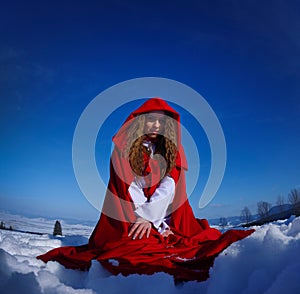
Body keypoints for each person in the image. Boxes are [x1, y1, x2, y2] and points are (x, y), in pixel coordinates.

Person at [37, 98, 254, 282]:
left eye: (161, 121)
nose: (156, 125)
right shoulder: (124, 148)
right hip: (130, 211)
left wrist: (156, 221)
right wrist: (143, 218)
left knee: (190, 242)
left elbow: (170, 185)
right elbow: (128, 187)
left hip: (165, 213)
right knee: (135, 245)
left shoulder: (172, 150)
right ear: (141, 121)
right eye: (151, 119)